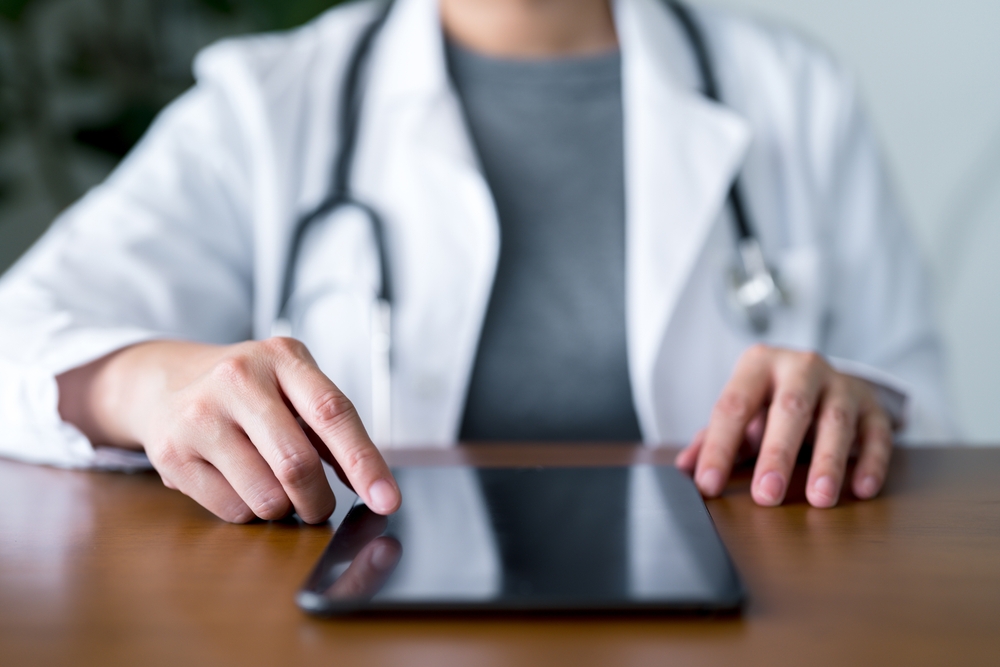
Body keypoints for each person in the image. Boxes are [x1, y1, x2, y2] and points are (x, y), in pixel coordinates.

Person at [0, 0, 951, 524]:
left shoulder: (795, 94)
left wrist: (857, 406)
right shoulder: (270, 104)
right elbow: (17, 336)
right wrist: (144, 382)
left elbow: (927, 408)